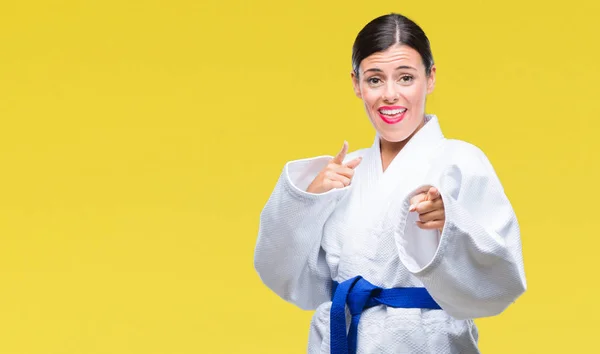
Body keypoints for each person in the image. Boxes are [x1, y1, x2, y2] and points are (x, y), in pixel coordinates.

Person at [253, 12, 526, 354]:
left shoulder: (460, 162)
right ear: (356, 84)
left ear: (431, 77)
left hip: (427, 342)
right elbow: (286, 276)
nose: (390, 95)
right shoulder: (343, 175)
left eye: (406, 77)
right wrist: (306, 201)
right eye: (375, 80)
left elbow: (502, 279)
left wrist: (452, 224)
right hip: (342, 337)